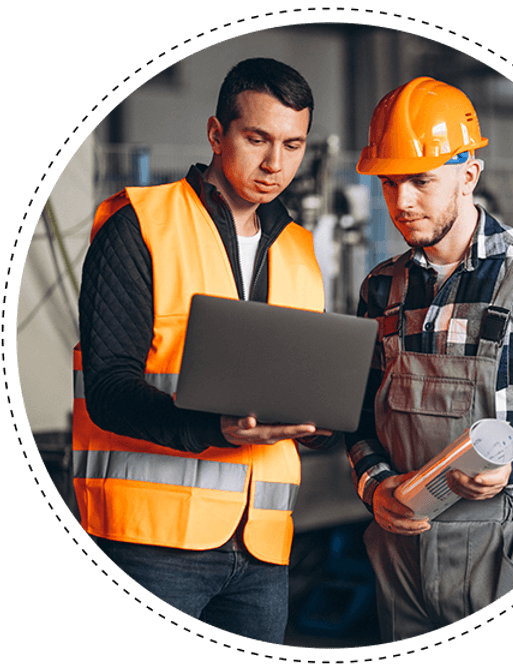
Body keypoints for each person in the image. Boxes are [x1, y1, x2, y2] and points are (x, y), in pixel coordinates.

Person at [72, 57, 338, 645]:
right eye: (257, 139)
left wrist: (320, 424)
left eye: (293, 145)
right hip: (151, 544)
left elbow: (302, 384)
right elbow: (109, 389)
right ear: (217, 134)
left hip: (263, 545)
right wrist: (213, 427)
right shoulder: (140, 225)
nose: (276, 164)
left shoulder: (298, 249)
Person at [345, 76, 513, 642]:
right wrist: (377, 487)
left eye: (421, 181)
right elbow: (360, 419)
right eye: (390, 183)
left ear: (469, 176)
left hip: (508, 549)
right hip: (402, 554)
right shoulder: (380, 288)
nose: (402, 202)